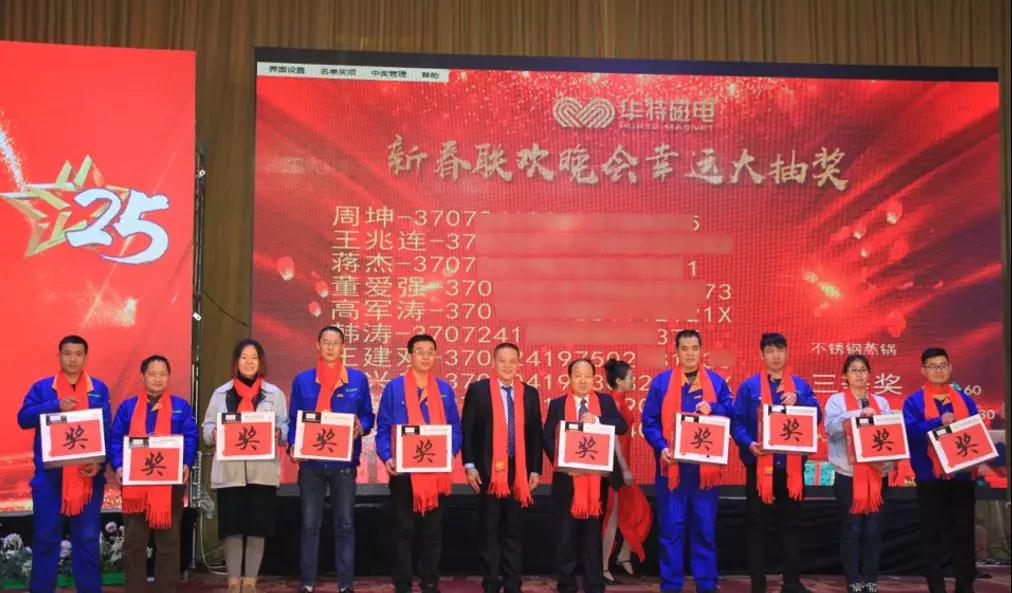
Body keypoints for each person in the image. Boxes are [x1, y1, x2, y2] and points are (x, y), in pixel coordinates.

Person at [17, 335, 111, 593]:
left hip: (88, 477)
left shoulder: (98, 388)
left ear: (85, 357)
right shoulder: (43, 388)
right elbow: (23, 418)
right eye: (67, 353)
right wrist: (54, 405)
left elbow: (106, 429)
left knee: (88, 542)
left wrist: (100, 464)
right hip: (50, 479)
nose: (72, 359)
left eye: (78, 354)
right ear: (59, 356)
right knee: (46, 540)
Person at [642, 330, 733, 593]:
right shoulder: (661, 383)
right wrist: (662, 447)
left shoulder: (716, 382)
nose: (690, 353)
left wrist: (714, 408)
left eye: (695, 348)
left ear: (702, 350)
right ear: (676, 352)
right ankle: (671, 585)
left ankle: (706, 584)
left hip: (705, 474)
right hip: (671, 471)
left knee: (704, 530)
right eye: (685, 348)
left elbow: (732, 411)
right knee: (671, 531)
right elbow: (649, 422)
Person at [732, 333, 820, 593]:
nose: (776, 355)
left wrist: (800, 401)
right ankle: (758, 584)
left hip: (792, 471)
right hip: (760, 467)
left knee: (792, 526)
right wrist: (749, 443)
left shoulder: (800, 386)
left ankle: (791, 582)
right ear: (761, 355)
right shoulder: (749, 387)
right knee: (757, 528)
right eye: (770, 351)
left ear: (787, 353)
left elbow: (817, 415)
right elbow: (737, 422)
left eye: (780, 350)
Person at [287, 326, 373, 593]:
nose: (330, 347)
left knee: (345, 524)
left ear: (343, 346)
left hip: (343, 465)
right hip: (311, 464)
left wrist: (361, 426)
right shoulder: (303, 380)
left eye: (335, 342)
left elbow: (368, 416)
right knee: (310, 525)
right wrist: (293, 445)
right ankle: (307, 583)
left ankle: (346, 585)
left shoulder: (357, 379)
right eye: (326, 342)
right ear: (318, 345)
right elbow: (293, 419)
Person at [376, 334, 462, 593]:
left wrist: (450, 452)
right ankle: (402, 583)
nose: (425, 356)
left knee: (432, 532)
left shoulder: (444, 389)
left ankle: (429, 581)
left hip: (436, 475)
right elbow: (383, 428)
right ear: (410, 355)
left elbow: (455, 428)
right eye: (420, 351)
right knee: (403, 530)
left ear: (435, 356)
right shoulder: (394, 388)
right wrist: (387, 457)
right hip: (404, 474)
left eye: (430, 351)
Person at [202, 339, 289, 593]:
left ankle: (250, 582)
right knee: (232, 528)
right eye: (244, 357)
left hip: (262, 471)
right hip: (230, 472)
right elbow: (207, 427)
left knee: (257, 527)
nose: (249, 362)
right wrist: (215, 433)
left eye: (254, 357)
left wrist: (279, 433)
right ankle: (233, 581)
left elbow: (285, 426)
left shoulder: (274, 394)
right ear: (236, 362)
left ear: (261, 362)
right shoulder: (221, 393)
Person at [109, 355, 199, 593]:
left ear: (168, 377)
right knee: (134, 543)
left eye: (163, 374)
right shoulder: (128, 407)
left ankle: (166, 588)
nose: (157, 379)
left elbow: (190, 438)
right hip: (136, 487)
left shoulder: (180, 407)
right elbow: (115, 439)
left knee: (169, 544)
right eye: (152, 374)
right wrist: (118, 465)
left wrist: (187, 463)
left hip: (169, 486)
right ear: (143, 376)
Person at [461, 342, 544, 593]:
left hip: (519, 473)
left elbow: (536, 435)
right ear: (493, 362)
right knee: (489, 530)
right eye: (502, 361)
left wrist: (535, 469)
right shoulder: (478, 390)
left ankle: (512, 584)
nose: (507, 366)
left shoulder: (529, 393)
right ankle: (490, 583)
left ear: (519, 364)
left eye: (512, 361)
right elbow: (467, 430)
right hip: (487, 472)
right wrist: (469, 465)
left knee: (514, 532)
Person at [543, 358, 628, 593]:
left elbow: (622, 426)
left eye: (588, 376)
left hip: (597, 481)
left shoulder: (605, 402)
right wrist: (561, 462)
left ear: (594, 379)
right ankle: (566, 585)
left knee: (592, 537)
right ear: (569, 378)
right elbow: (547, 437)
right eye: (578, 376)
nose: (583, 381)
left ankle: (594, 584)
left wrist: (598, 420)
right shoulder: (558, 404)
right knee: (565, 537)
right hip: (567, 481)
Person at [903, 347, 980, 593]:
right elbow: (910, 434)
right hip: (930, 478)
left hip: (962, 477)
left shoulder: (964, 400)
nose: (939, 370)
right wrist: (938, 422)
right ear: (923, 370)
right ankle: (936, 587)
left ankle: (965, 586)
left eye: (943, 365)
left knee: (964, 533)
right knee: (931, 535)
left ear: (950, 367)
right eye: (933, 366)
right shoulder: (913, 401)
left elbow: (976, 432)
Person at [825, 354, 892, 593]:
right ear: (845, 375)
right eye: (853, 370)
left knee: (874, 530)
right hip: (848, 476)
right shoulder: (836, 401)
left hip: (878, 476)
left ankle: (871, 578)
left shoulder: (881, 402)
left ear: (869, 374)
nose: (859, 374)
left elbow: (891, 435)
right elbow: (830, 429)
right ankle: (853, 579)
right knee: (852, 530)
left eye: (863, 369)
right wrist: (856, 415)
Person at [600, 358, 650, 584]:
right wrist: (624, 468)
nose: (633, 381)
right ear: (619, 381)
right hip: (616, 469)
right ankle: (602, 568)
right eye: (630, 377)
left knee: (639, 511)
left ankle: (623, 554)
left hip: (622, 467)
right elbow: (613, 439)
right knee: (612, 518)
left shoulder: (621, 401)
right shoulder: (613, 403)